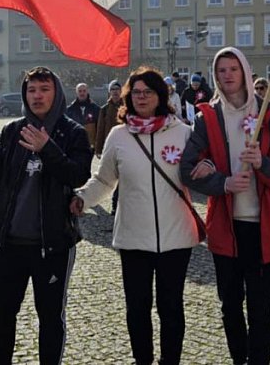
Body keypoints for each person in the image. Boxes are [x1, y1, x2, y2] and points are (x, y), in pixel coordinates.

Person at [0, 66, 93, 364]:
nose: (37, 96)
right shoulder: (12, 130)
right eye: (31, 90)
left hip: (52, 244)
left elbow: (78, 175)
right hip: (9, 243)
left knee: (49, 318)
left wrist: (47, 148)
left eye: (44, 89)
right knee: (0, 314)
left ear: (56, 93)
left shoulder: (72, 132)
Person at [180, 46, 270, 365]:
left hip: (264, 228)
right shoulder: (208, 116)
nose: (227, 75)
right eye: (221, 70)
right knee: (230, 306)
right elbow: (187, 168)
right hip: (226, 229)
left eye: (233, 69)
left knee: (260, 309)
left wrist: (263, 163)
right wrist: (221, 182)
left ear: (245, 72)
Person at [71, 67, 200, 365]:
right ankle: (142, 360)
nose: (142, 97)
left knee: (171, 307)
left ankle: (171, 361)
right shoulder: (118, 136)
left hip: (176, 236)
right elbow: (105, 181)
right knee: (137, 308)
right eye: (136, 93)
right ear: (128, 98)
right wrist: (82, 199)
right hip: (133, 238)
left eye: (148, 92)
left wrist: (207, 172)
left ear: (161, 96)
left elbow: (196, 174)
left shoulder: (183, 132)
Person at [96, 79, 124, 214]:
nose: (115, 92)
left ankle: (119, 204)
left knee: (124, 176)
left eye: (117, 89)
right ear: (109, 92)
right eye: (112, 90)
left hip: (125, 146)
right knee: (112, 176)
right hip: (110, 147)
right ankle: (115, 204)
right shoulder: (104, 109)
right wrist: (98, 149)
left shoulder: (128, 107)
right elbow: (100, 130)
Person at [66, 82, 100, 148]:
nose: (82, 93)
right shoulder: (69, 110)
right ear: (76, 92)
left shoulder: (96, 109)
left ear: (87, 92)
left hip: (91, 146)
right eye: (80, 91)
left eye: (84, 91)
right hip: (74, 145)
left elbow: (99, 128)